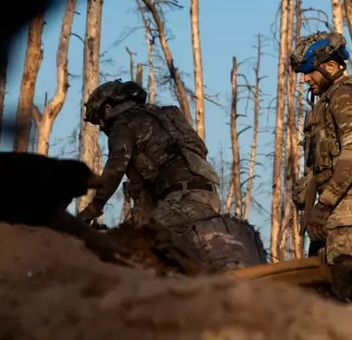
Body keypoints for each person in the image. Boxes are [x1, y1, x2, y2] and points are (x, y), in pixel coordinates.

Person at [76, 80, 267, 271]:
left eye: (98, 119)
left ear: (108, 108)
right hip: (207, 196)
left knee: (134, 251)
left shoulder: (123, 123)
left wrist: (92, 209)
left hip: (180, 201)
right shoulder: (163, 117)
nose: (101, 127)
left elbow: (114, 170)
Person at [289, 31, 352, 264]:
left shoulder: (345, 96)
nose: (306, 79)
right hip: (335, 208)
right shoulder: (329, 99)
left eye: (309, 72)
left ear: (332, 66)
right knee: (319, 285)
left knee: (344, 287)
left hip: (348, 209)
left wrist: (324, 204)